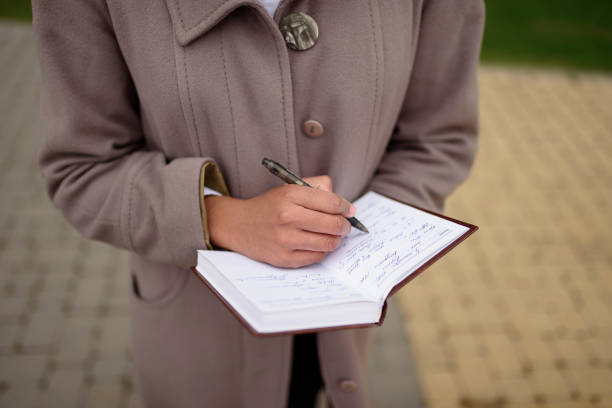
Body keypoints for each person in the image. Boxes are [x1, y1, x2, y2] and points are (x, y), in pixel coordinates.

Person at [32, 0, 484, 406]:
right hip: (197, 339)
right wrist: (219, 217)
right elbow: (82, 170)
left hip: (346, 335)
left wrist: (373, 236)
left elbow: (437, 139)